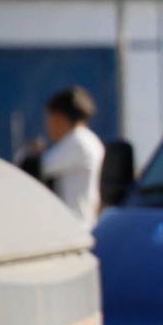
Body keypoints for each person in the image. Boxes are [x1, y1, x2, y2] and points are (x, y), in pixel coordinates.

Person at [22, 85, 105, 228]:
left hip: (75, 227)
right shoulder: (88, 140)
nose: (47, 126)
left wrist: (29, 153)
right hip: (80, 225)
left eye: (49, 119)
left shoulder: (77, 141)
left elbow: (33, 168)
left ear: (60, 117)